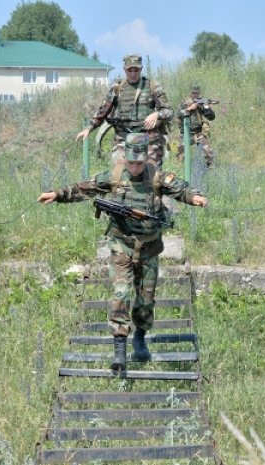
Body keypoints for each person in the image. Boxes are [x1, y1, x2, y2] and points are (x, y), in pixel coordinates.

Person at [38, 133, 208, 371]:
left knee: (145, 300)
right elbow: (84, 188)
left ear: (146, 158)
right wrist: (57, 195)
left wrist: (195, 197)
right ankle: (119, 349)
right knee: (121, 293)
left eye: (140, 163)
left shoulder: (156, 176)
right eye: (132, 163)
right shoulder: (115, 175)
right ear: (125, 158)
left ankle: (139, 338)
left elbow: (181, 189)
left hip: (149, 249)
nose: (136, 167)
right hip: (121, 246)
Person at [76, 54, 173, 169]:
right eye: (129, 70)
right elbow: (102, 112)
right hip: (123, 139)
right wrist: (88, 128)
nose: (133, 74)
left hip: (147, 139)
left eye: (136, 70)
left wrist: (157, 114)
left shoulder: (152, 86)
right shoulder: (117, 87)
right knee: (120, 176)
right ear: (124, 69)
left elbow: (169, 111)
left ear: (141, 69)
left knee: (152, 176)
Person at [177, 84, 216, 167]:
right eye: (193, 93)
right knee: (180, 154)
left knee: (208, 151)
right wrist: (190, 108)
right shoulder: (185, 102)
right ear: (190, 93)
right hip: (186, 133)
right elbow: (179, 114)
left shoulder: (200, 103)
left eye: (197, 93)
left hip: (198, 133)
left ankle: (210, 169)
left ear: (199, 93)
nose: (195, 95)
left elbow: (211, 117)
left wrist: (206, 108)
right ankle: (179, 170)